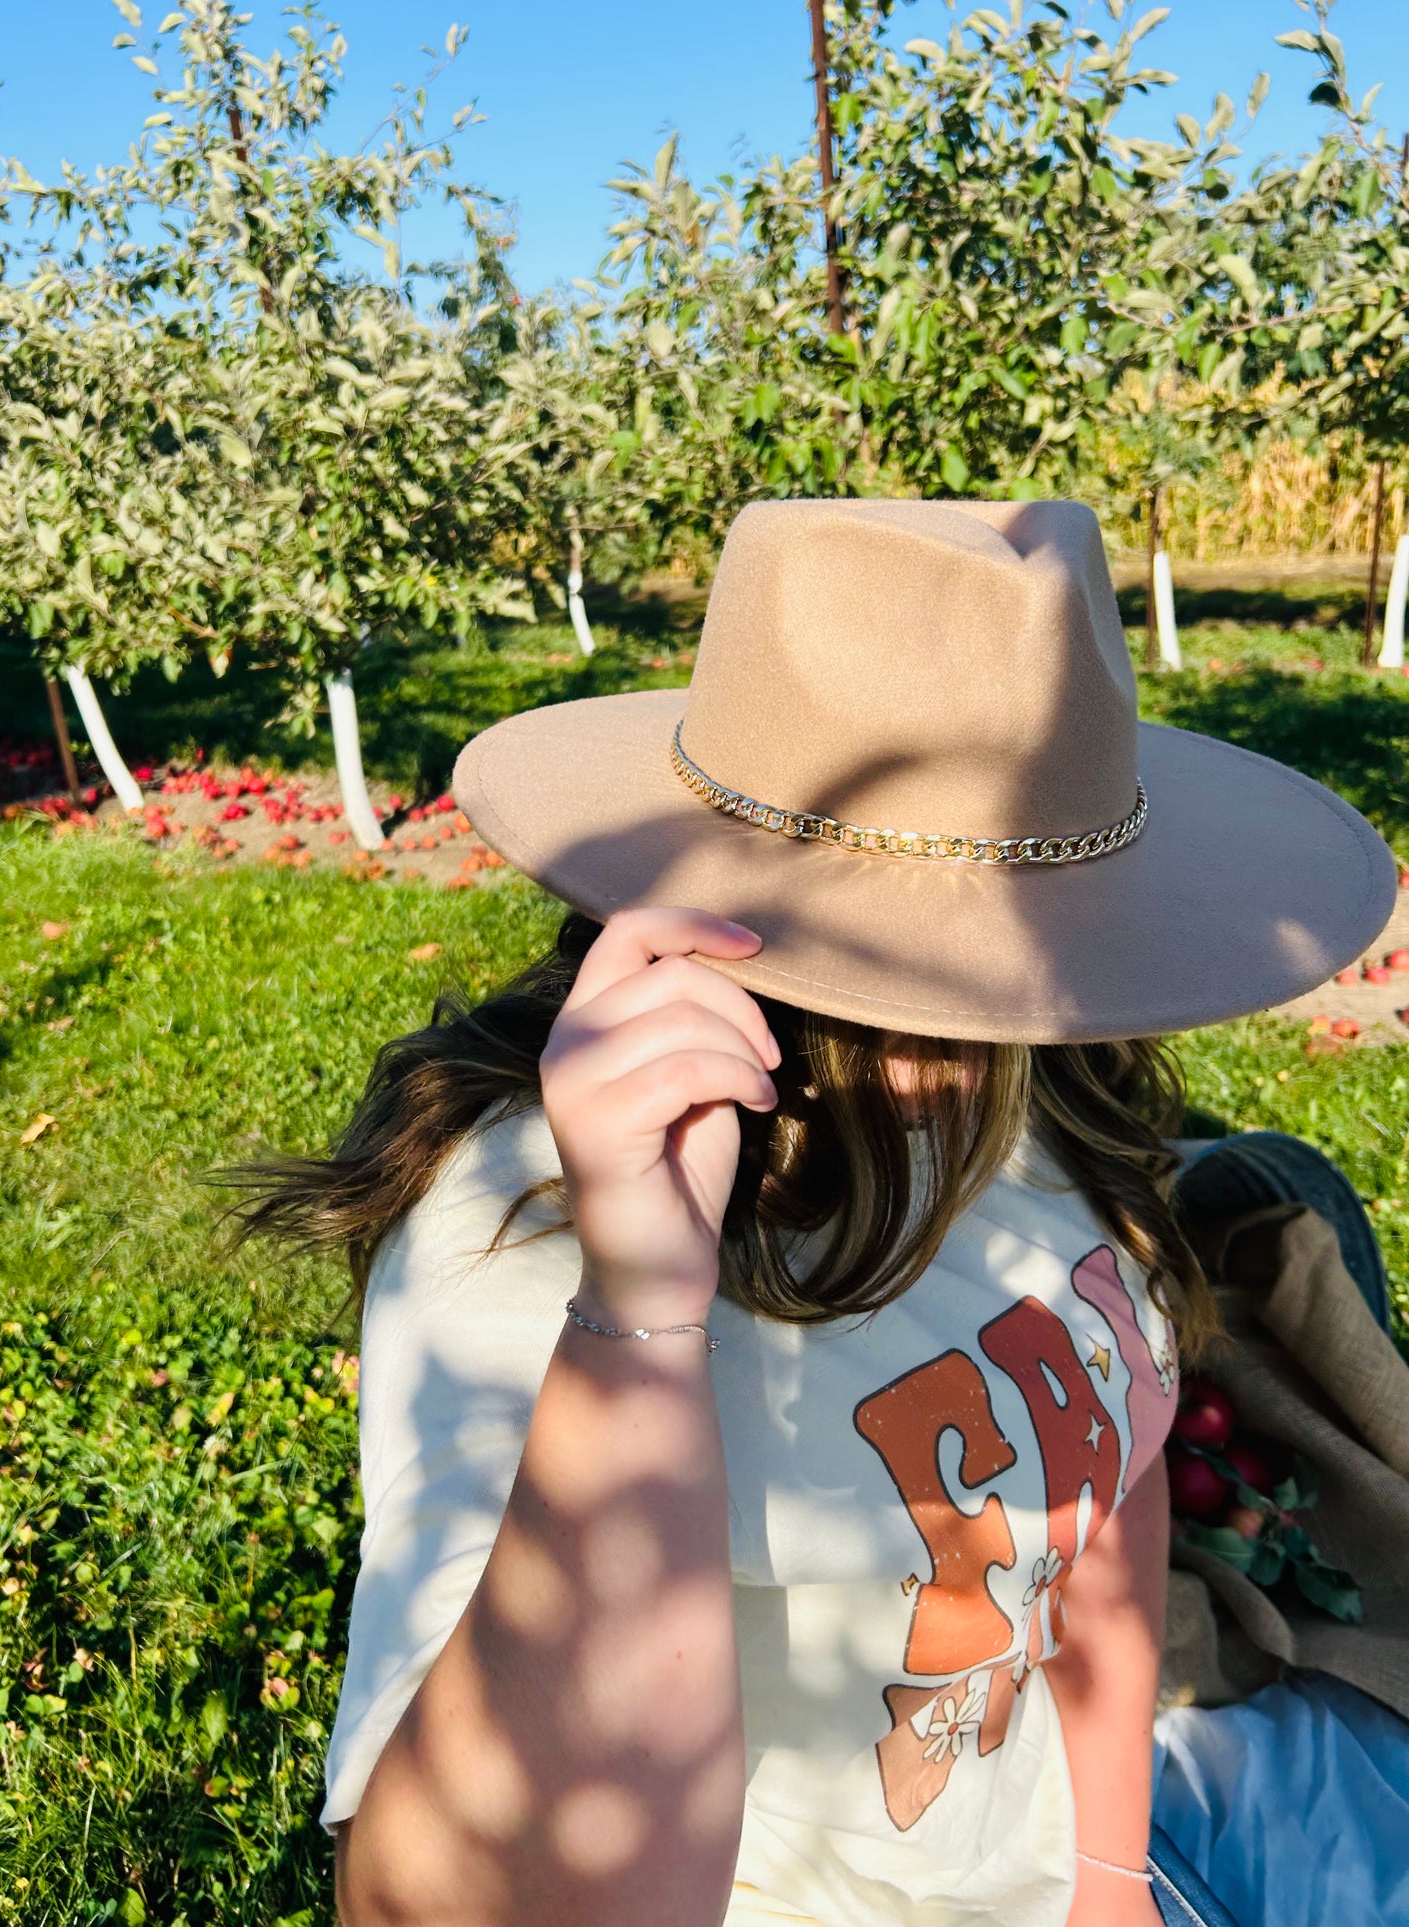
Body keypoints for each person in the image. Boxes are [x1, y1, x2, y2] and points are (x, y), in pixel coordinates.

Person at [232, 500, 1394, 1927]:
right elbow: (442, 1905)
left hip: (1095, 1848)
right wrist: (639, 1317)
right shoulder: (537, 1214)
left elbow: (1111, 1485)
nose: (980, 993)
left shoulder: (1042, 1079)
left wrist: (1102, 1878)